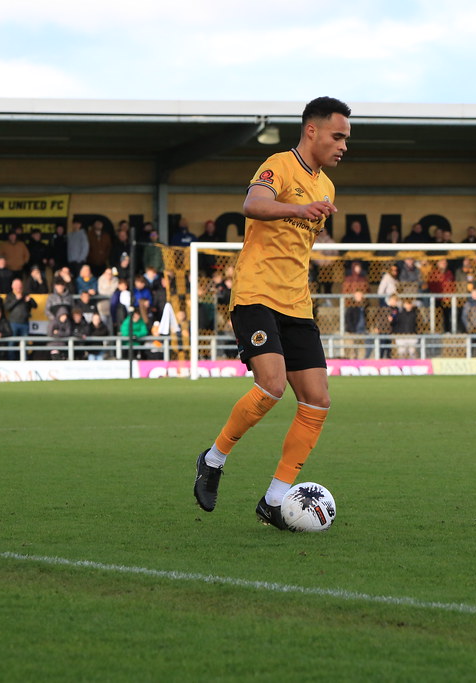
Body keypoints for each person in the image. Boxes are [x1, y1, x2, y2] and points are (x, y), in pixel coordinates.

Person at [193, 96, 350, 531]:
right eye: (338, 136)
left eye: (347, 139)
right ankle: (213, 459)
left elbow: (297, 246)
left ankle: (274, 499)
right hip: (256, 294)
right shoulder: (278, 165)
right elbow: (253, 204)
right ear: (312, 131)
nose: (343, 145)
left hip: (296, 303)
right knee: (272, 385)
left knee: (317, 400)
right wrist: (299, 208)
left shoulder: (327, 187)